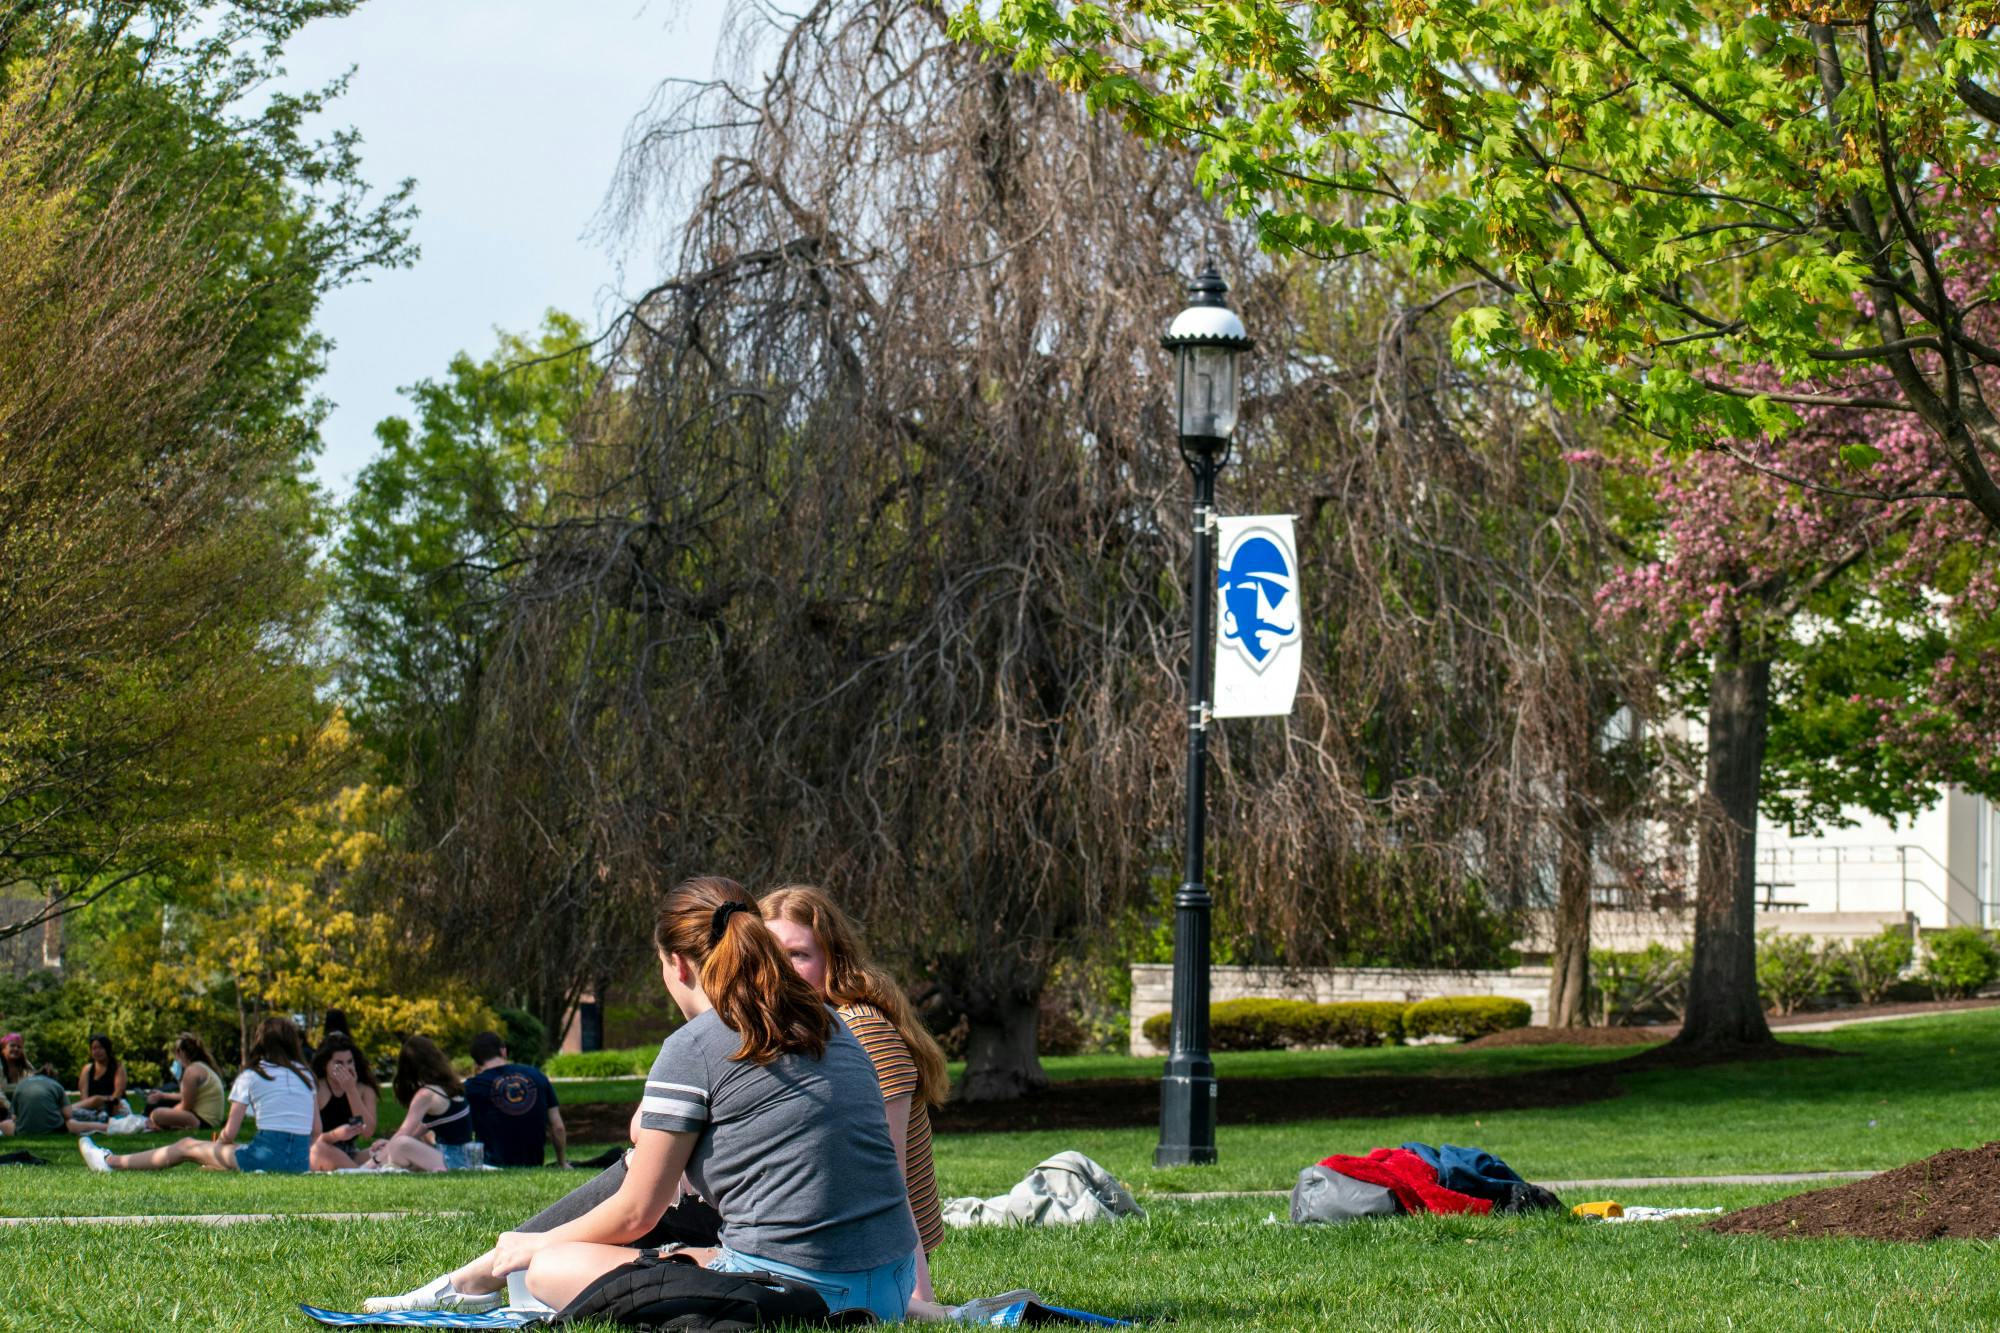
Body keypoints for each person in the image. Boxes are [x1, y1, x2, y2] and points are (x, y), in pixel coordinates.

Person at [362, 876, 916, 1320]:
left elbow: (636, 1212)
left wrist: (527, 1248)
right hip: (890, 1287)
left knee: (550, 1268)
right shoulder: (828, 1023)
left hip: (804, 1298)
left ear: (676, 964)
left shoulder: (695, 1044)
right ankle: (478, 1275)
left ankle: (483, 1273)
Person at [761, 884, 949, 1303]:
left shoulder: (863, 1030)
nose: (782, 970)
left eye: (799, 955)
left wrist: (918, 1298)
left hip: (874, 1257)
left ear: (833, 960)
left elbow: (891, 1179)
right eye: (772, 955)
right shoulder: (797, 1031)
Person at [79, 1016, 316, 1174]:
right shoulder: (306, 1076)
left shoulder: (253, 1075)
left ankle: (111, 1162)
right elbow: (316, 1132)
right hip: (299, 1161)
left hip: (264, 1158)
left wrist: (219, 1146)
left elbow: (229, 1133)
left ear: (260, 1042)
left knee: (186, 1146)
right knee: (231, 1153)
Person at [368, 1035, 476, 1171]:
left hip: (453, 1162)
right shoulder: (448, 1087)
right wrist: (388, 1145)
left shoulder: (426, 1094)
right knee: (397, 1145)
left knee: (401, 1144)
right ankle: (387, 1163)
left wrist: (372, 1163)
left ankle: (379, 1166)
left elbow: (403, 1134)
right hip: (464, 1158)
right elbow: (419, 1129)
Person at [463, 1031, 567, 1169]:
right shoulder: (537, 1076)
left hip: (492, 1166)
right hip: (533, 1164)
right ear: (503, 1051)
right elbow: (558, 1127)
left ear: (476, 1061)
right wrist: (562, 1162)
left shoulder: (471, 1087)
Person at [309, 1033, 380, 1172]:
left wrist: (351, 1090)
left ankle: (357, 1171)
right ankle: (362, 1176)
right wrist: (336, 1135)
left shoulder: (365, 1090)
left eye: (349, 1062)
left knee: (387, 1148)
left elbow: (368, 1131)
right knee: (321, 1150)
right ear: (325, 1065)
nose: (346, 1068)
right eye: (339, 1064)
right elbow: (313, 1139)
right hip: (322, 1150)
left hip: (351, 1152)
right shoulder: (316, 1089)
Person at [144, 1033, 228, 1132]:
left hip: (200, 1121)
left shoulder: (191, 1071)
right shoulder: (202, 1067)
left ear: (182, 1053)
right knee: (161, 1111)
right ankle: (168, 1125)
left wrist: (168, 1113)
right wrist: (163, 1096)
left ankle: (163, 1125)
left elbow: (186, 1106)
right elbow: (188, 1096)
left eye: (176, 1051)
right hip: (210, 1120)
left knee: (156, 1114)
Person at [70, 1034, 129, 1128]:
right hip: (92, 1108)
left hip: (115, 1106)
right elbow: (84, 1099)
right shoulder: (87, 1069)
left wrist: (104, 1104)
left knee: (97, 1099)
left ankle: (67, 1110)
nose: (97, 1051)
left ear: (107, 1049)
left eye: (101, 1048)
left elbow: (117, 1094)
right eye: (94, 1048)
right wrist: (92, 1106)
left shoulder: (118, 1067)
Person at [3, 1064, 70, 1135]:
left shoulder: (21, 1085)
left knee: (5, 1123)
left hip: (23, 1130)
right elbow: (68, 1114)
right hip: (55, 1129)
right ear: (53, 1077)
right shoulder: (56, 1085)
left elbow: (14, 1117)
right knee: (70, 1122)